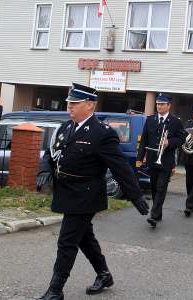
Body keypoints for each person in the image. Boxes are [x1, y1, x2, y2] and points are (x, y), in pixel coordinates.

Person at [35, 83, 149, 300]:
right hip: (66, 191)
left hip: (86, 194)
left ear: (89, 105)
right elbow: (49, 154)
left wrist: (135, 195)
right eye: (69, 103)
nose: (69, 107)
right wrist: (44, 170)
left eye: (74, 103)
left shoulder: (102, 133)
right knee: (84, 237)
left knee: (67, 241)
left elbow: (120, 167)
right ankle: (104, 274)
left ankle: (55, 290)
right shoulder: (65, 128)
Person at [136, 93, 186, 228]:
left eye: (162, 104)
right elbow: (144, 140)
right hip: (152, 159)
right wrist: (140, 158)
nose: (159, 106)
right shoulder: (150, 119)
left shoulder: (176, 121)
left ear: (169, 106)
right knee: (153, 187)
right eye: (158, 104)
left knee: (161, 187)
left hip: (166, 160)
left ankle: (153, 215)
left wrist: (169, 142)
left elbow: (182, 139)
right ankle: (158, 213)